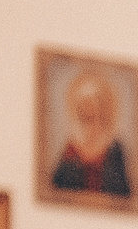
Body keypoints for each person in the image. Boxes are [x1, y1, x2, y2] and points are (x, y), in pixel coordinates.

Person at [49, 67, 130, 200]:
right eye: (85, 102)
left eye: (94, 101)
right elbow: (58, 186)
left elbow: (121, 191)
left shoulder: (115, 147)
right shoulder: (72, 146)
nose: (89, 108)